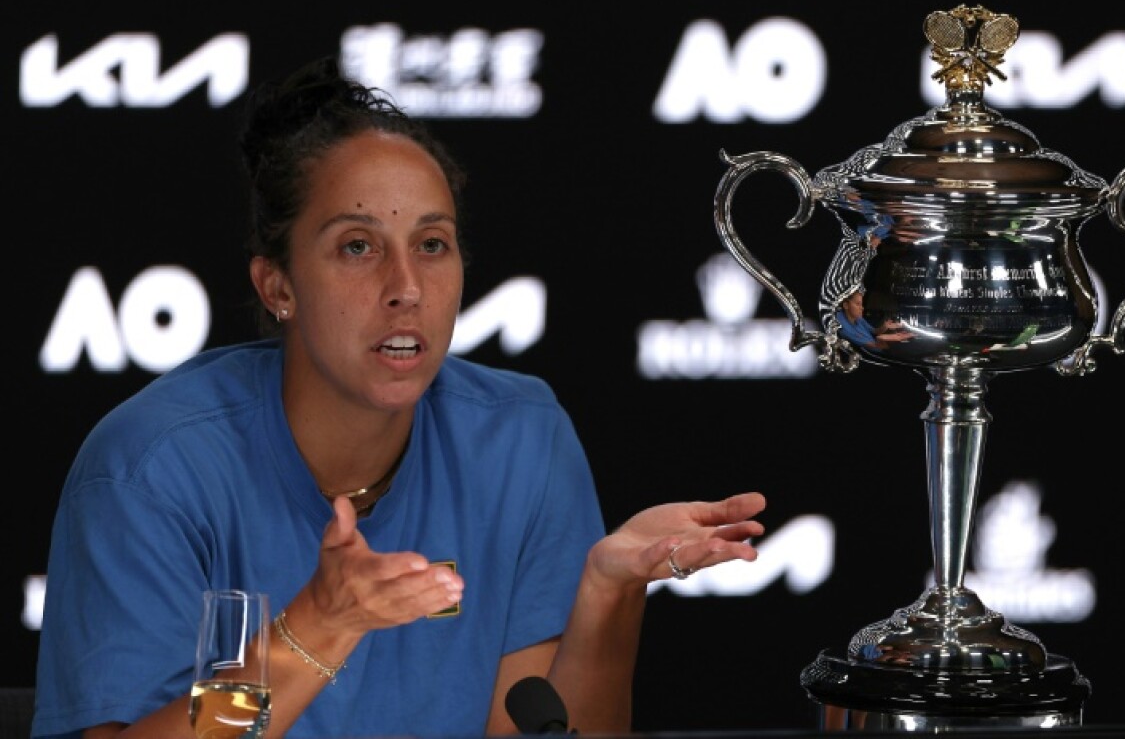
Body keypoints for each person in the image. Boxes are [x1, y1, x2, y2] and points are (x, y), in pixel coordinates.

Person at [32, 56, 767, 739]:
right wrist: (314, 628)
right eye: (358, 246)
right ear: (277, 285)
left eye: (432, 244)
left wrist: (608, 594)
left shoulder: (522, 440)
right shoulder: (151, 468)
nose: (406, 288)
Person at [835, 288, 914, 350]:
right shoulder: (844, 329)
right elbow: (877, 346)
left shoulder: (858, 318)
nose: (862, 308)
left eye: (861, 304)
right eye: (858, 304)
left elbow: (874, 331)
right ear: (846, 305)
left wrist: (884, 327)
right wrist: (887, 339)